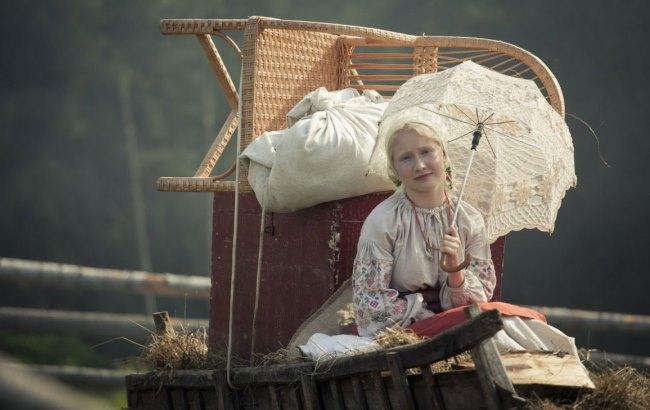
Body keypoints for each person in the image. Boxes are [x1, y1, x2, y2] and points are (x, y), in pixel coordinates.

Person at [352, 120, 497, 337]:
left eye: (426, 152)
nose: (419, 165)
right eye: (406, 158)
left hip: (460, 327)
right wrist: (430, 318)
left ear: (444, 155)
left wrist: (455, 272)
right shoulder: (383, 222)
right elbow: (370, 308)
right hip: (404, 329)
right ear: (395, 169)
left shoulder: (469, 220)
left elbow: (479, 303)